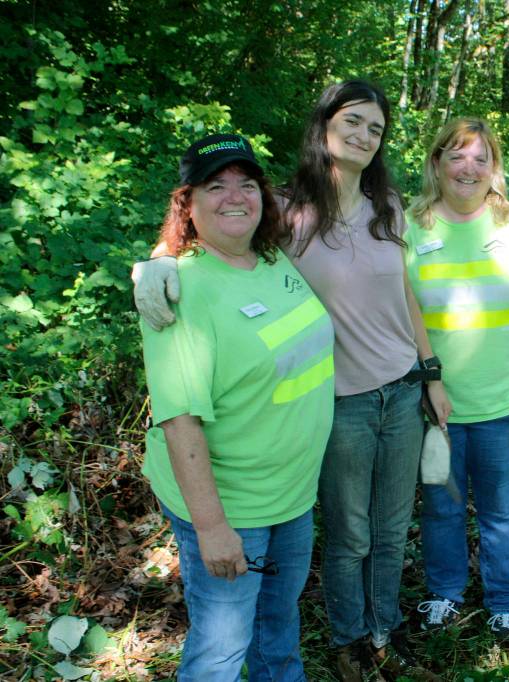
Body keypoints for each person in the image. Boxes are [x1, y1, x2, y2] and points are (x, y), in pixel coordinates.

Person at [132, 81, 448, 682]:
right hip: (334, 414)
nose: (362, 135)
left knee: (385, 532)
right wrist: (156, 262)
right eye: (351, 121)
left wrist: (429, 371)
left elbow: (401, 288)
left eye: (374, 128)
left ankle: (384, 629)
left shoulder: (387, 208)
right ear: (323, 126)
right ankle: (352, 637)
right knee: (348, 537)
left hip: (392, 395)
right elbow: (211, 234)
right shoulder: (287, 212)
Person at [140, 133, 334, 681]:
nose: (234, 197)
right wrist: (211, 528)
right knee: (221, 652)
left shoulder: (272, 258)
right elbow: (179, 422)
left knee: (277, 628)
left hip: (292, 498)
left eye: (246, 184)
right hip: (233, 511)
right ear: (187, 203)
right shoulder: (181, 290)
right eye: (215, 185)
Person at [405, 117, 509, 641]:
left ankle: (504, 602)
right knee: (442, 510)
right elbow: (401, 311)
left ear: (494, 168)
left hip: (502, 404)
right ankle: (444, 595)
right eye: (455, 155)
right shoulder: (412, 226)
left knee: (499, 512)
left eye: (480, 158)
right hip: (438, 405)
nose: (467, 168)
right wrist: (430, 380)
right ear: (436, 164)